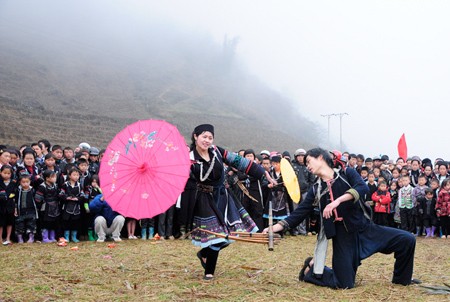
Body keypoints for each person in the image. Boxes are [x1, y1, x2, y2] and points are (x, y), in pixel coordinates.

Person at [263, 148, 417, 289]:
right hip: (343, 238)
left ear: (321, 158)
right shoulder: (316, 189)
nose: (307, 166)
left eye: (309, 161)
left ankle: (402, 280)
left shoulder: (346, 173)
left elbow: (361, 187)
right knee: (344, 284)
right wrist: (274, 228)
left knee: (407, 239)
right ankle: (310, 270)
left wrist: (337, 201)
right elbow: (299, 213)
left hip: (365, 229)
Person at [188, 124, 275, 281]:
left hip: (224, 198)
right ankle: (209, 272)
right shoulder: (189, 159)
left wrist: (263, 174)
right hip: (204, 200)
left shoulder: (217, 151)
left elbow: (241, 163)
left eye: (210, 137)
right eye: (204, 137)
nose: (207, 141)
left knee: (231, 235)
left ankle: (204, 254)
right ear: (195, 136)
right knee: (218, 236)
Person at [59, 168, 86, 243]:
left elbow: (83, 195)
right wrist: (67, 198)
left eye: (77, 175)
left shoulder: (80, 185)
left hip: (76, 207)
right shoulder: (65, 184)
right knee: (66, 222)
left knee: (75, 222)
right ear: (70, 176)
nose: (76, 176)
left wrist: (78, 199)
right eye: (74, 175)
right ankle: (66, 236)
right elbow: (61, 194)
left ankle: (74, 236)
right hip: (67, 206)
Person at [34, 170, 61, 243]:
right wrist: (39, 207)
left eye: (55, 177)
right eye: (53, 177)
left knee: (53, 222)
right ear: (47, 178)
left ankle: (52, 237)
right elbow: (37, 199)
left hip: (55, 206)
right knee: (45, 223)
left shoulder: (55, 185)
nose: (55, 178)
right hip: (45, 207)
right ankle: (45, 237)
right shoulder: (42, 187)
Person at [14, 175, 38, 243]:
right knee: (19, 224)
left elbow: (36, 200)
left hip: (31, 210)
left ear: (30, 182)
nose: (25, 184)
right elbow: (15, 200)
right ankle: (20, 237)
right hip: (20, 210)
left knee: (31, 224)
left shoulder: (32, 190)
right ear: (20, 182)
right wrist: (15, 208)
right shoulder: (17, 190)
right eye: (23, 182)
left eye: (27, 182)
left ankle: (31, 237)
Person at [0, 165, 17, 245]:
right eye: (4, 173)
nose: (6, 175)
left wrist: (12, 195)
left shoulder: (13, 182)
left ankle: (8, 237)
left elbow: (15, 192)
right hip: (1, 205)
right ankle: (0, 238)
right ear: (1, 172)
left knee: (10, 222)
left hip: (10, 205)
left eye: (8, 173)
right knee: (1, 223)